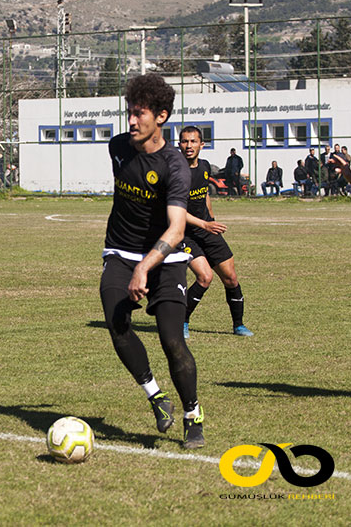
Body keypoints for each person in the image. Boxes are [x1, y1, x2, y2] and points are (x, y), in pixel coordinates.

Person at [100, 74, 204, 449]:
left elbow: (176, 229)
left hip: (167, 257)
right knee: (117, 323)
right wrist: (132, 262)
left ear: (161, 116)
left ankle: (193, 412)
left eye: (139, 114)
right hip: (120, 251)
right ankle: (157, 397)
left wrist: (146, 266)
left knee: (172, 340)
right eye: (129, 113)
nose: (131, 121)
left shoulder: (176, 166)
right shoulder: (117, 148)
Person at [178, 125, 254, 341]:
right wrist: (205, 225)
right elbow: (176, 210)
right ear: (179, 145)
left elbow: (204, 196)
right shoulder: (176, 172)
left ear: (202, 144)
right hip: (185, 233)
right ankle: (182, 321)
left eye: (193, 141)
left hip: (207, 228)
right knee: (204, 277)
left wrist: (211, 219)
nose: (189, 145)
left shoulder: (204, 167)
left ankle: (238, 325)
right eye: (185, 141)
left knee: (230, 277)